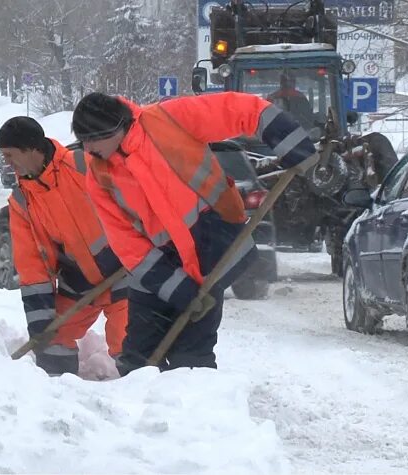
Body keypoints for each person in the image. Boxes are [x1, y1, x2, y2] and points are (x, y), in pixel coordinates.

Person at [71, 92, 318, 376]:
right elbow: (126, 242)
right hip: (155, 266)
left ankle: (197, 414)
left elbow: (243, 109)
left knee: (191, 359)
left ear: (114, 129)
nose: (87, 149)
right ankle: (144, 416)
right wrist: (175, 288)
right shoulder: (99, 175)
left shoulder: (168, 119)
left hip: (211, 245)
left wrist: (290, 142)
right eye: (83, 142)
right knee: (138, 359)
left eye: (91, 140)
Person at [0, 116, 129, 376]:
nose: (6, 162)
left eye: (10, 155)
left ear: (32, 149)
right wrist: (41, 325)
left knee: (131, 341)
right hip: (79, 284)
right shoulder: (22, 202)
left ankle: (142, 402)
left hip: (124, 274)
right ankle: (60, 393)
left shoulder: (84, 165)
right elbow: (32, 268)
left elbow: (133, 202)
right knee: (52, 339)